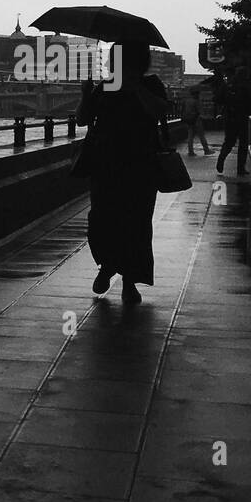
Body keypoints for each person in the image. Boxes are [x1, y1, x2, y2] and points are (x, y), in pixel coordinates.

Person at [75, 40, 170, 304]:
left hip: (140, 166)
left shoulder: (150, 84)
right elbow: (82, 119)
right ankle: (107, 266)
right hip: (106, 164)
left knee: (136, 224)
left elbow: (161, 110)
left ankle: (129, 282)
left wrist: (135, 87)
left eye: (114, 58)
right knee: (101, 220)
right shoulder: (106, 86)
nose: (109, 62)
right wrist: (85, 94)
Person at [215, 65, 251, 176]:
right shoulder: (245, 86)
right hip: (243, 118)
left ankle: (221, 159)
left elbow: (218, 99)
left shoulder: (228, 86)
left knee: (229, 141)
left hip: (230, 118)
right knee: (243, 144)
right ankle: (240, 169)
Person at [180, 87, 211, 156]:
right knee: (201, 135)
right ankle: (206, 150)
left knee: (190, 136)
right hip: (196, 120)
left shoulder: (186, 100)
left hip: (188, 120)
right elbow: (200, 112)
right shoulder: (196, 101)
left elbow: (182, 110)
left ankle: (190, 151)